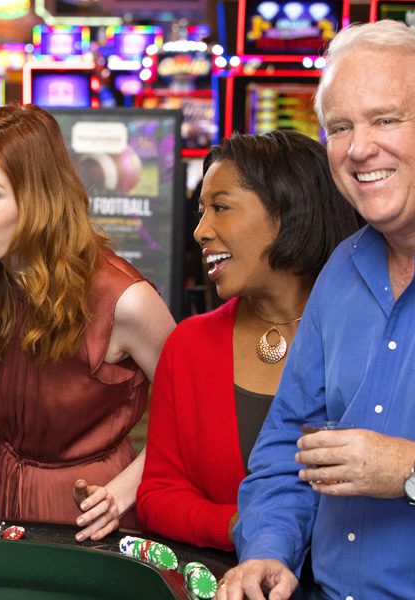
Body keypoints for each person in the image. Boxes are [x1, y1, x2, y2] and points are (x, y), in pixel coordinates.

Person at [218, 20, 415, 600]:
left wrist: (407, 470)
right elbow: (286, 451)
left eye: (385, 119)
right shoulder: (339, 274)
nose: (358, 149)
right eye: (339, 127)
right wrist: (267, 552)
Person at [0, 104, 174, 542]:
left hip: (92, 514)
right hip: (1, 504)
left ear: (38, 198)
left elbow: (190, 411)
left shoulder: (126, 300)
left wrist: (124, 492)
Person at [135, 131, 359, 552]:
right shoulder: (190, 345)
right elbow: (158, 494)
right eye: (202, 211)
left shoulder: (375, 336)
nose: (201, 231)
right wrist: (248, 529)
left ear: (292, 210)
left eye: (221, 207)